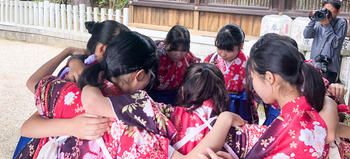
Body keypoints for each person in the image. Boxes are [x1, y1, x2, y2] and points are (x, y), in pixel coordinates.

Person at [82, 35, 335, 158]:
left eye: (254, 78)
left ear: (270, 78)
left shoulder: (298, 134)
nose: (252, 84)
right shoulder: (308, 120)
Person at [18, 32, 243, 159]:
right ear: (140, 75)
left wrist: (70, 127)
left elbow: (27, 127)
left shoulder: (72, 87)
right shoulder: (134, 117)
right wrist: (224, 119)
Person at [12, 20, 129, 158]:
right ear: (103, 49)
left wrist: (70, 55)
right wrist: (72, 126)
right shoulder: (80, 76)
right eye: (123, 51)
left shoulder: (83, 68)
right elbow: (28, 125)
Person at [81, 63, 241, 155]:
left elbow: (92, 102)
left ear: (183, 91)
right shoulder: (234, 131)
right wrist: (225, 118)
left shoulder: (152, 111)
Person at [204, 24, 256, 123]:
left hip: (240, 104)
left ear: (241, 46)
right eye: (220, 48)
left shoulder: (248, 63)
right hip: (216, 100)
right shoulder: (211, 59)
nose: (223, 54)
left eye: (228, 50)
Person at [149, 25, 199, 104]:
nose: (178, 55)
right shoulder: (154, 55)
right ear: (166, 43)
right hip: (152, 95)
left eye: (183, 50)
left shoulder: (188, 58)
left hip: (175, 96)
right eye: (175, 49)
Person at [304, 0, 348, 83]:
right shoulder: (319, 20)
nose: (327, 14)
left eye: (331, 12)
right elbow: (306, 34)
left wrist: (327, 25)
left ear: (338, 11)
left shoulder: (342, 23)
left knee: (323, 94)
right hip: (314, 66)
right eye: (325, 10)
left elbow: (335, 43)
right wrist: (313, 19)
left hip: (329, 70)